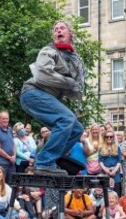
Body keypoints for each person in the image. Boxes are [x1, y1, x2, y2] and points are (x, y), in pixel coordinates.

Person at [20, 20, 85, 176]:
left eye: (62, 28)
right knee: (67, 119)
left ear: (70, 33)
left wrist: (74, 84)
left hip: (45, 96)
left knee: (77, 129)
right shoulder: (49, 51)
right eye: (55, 29)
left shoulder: (71, 57)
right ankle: (44, 161)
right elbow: (42, 75)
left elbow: (75, 90)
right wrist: (69, 82)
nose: (58, 31)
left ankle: (50, 159)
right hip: (33, 93)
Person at [0, 111, 17, 180]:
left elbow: (13, 144)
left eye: (7, 118)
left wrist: (14, 156)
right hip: (0, 163)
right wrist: (9, 158)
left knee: (12, 184)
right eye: (3, 119)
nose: (5, 120)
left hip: (11, 163)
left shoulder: (10, 130)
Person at [99, 130, 123, 196]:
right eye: (107, 137)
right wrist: (106, 170)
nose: (109, 138)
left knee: (116, 193)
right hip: (105, 172)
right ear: (105, 138)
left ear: (113, 138)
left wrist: (114, 170)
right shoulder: (101, 148)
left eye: (111, 136)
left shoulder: (117, 147)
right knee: (105, 193)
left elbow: (119, 160)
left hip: (116, 173)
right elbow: (100, 161)